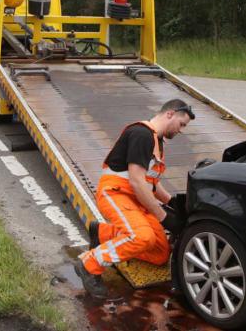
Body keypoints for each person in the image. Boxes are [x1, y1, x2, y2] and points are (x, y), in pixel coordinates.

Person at [74, 99, 195, 298]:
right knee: (141, 237)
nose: (181, 130)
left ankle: (103, 233)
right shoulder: (142, 134)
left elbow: (151, 184)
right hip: (115, 194)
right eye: (182, 124)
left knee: (159, 253)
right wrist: (164, 217)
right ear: (170, 114)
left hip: (135, 199)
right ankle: (89, 264)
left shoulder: (157, 141)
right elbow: (138, 182)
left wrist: (172, 203)